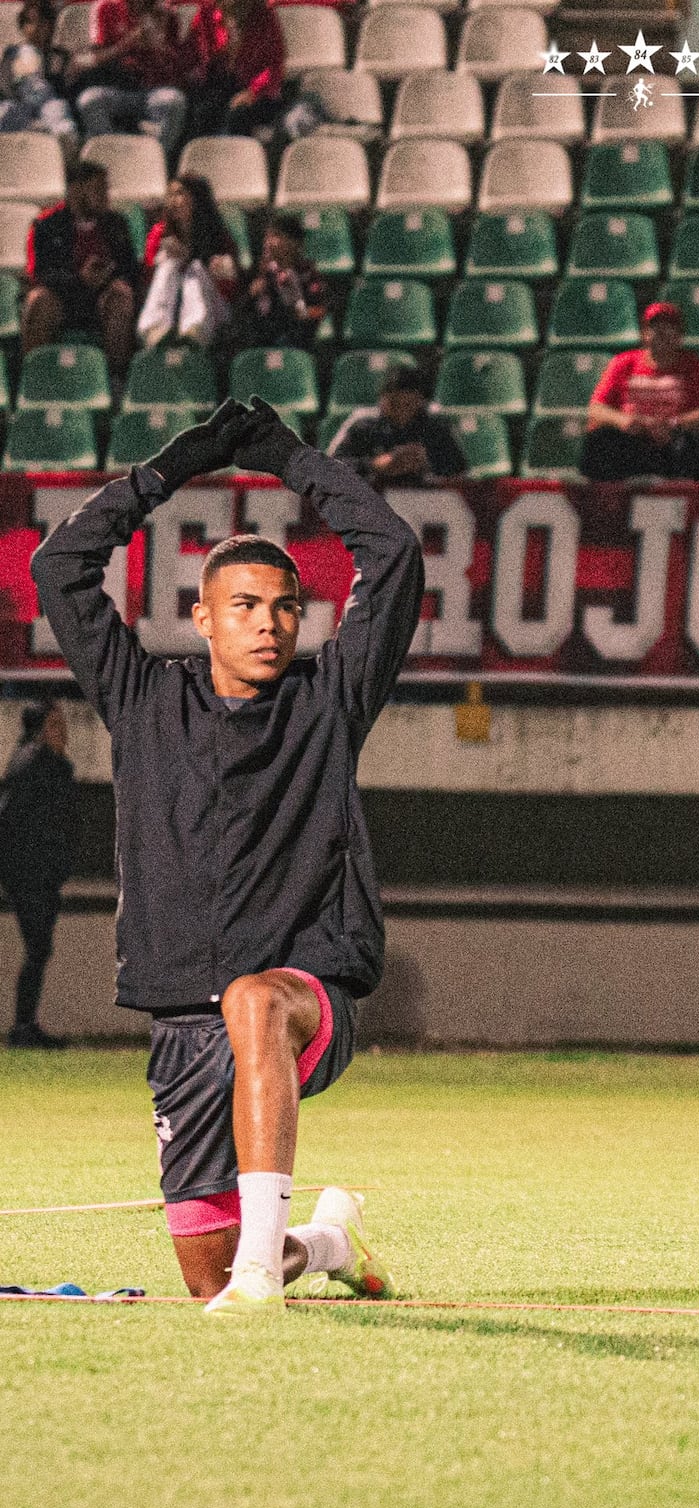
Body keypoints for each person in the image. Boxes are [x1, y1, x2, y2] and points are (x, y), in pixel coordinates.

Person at [31, 398, 426, 1314]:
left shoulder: (329, 701)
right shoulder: (140, 698)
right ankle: (323, 1240)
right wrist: (179, 465)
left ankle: (261, 1273)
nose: (270, 624)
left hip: (300, 1000)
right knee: (201, 1276)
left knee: (255, 1000)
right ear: (202, 618)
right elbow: (62, 564)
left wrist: (289, 458)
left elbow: (394, 554)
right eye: (245, 606)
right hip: (179, 1020)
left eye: (287, 608)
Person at [0, 703, 78, 1049]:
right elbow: (25, 823)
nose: (63, 730)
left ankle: (25, 1024)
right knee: (38, 947)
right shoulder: (38, 763)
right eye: (56, 724)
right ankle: (23, 1026)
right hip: (32, 874)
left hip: (32, 873)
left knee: (39, 949)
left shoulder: (29, 760)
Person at [22, 158, 139, 382]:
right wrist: (79, 279)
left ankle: (115, 381)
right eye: (98, 189)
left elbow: (131, 270)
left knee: (121, 296)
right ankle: (34, 380)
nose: (106, 196)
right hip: (63, 298)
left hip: (101, 298)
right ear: (76, 190)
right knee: (38, 300)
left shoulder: (117, 224)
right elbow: (39, 273)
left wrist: (108, 276)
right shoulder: (46, 225)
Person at [580, 302, 699, 482]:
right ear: (644, 333)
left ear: (679, 335)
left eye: (669, 327)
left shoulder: (696, 367)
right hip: (632, 441)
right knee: (600, 439)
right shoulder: (623, 363)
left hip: (671, 443)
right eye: (655, 327)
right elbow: (596, 408)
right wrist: (624, 420)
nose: (661, 332)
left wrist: (674, 424)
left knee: (693, 443)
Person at [136, 175, 240, 348]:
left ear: (197, 198)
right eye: (170, 195)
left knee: (196, 268)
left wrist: (204, 262)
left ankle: (195, 332)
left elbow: (232, 285)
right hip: (171, 305)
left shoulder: (218, 235)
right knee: (168, 265)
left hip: (212, 310)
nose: (173, 201)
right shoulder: (157, 234)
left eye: (180, 194)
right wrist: (159, 261)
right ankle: (154, 330)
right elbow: (146, 279)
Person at [75, 0, 187, 159]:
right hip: (116, 89)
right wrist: (126, 45)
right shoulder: (106, 8)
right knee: (90, 100)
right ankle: (112, 160)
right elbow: (94, 59)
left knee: (174, 101)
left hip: (152, 92)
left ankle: (154, 162)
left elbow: (177, 67)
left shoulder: (167, 14)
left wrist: (158, 46)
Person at [328, 366, 467, 486]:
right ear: (382, 400)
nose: (401, 411)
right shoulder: (364, 425)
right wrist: (375, 465)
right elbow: (332, 467)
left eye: (407, 405)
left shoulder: (435, 427)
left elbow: (460, 469)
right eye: (394, 404)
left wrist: (427, 462)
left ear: (419, 401)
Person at [182, 0, 285, 139]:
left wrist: (253, 92)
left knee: (238, 115)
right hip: (219, 84)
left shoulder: (264, 17)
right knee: (200, 111)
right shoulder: (207, 14)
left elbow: (274, 65)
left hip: (254, 90)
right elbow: (192, 57)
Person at [227, 215, 329, 350]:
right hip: (257, 339)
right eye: (267, 236)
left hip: (292, 340)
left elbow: (320, 310)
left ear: (294, 243)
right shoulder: (257, 273)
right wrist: (251, 294)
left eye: (276, 236)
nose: (268, 242)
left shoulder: (308, 274)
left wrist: (300, 312)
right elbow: (238, 311)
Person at [0, 0, 77, 149]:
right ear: (23, 26)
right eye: (31, 22)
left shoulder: (59, 56)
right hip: (18, 102)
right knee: (5, 112)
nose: (37, 28)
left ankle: (68, 157)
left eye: (43, 23)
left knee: (60, 114)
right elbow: (4, 84)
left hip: (48, 103)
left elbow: (64, 87)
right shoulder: (13, 53)